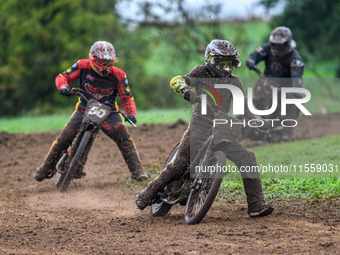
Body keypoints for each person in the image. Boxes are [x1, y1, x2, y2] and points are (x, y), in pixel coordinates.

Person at [136, 39, 274, 218]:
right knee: (180, 163)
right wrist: (185, 89)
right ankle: (146, 194)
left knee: (247, 158)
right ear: (210, 60)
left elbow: (245, 109)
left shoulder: (235, 82)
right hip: (200, 122)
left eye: (229, 62)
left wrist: (259, 122)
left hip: (222, 125)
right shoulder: (200, 71)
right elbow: (176, 80)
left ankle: (256, 205)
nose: (225, 67)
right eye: (221, 62)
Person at [33, 41, 148, 182]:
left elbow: (127, 96)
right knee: (65, 137)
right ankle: (46, 168)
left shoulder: (119, 75)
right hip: (84, 108)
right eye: (101, 61)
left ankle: (137, 171)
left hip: (109, 112)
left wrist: (131, 114)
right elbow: (62, 76)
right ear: (93, 58)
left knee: (124, 137)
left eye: (108, 62)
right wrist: (63, 87)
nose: (105, 66)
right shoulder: (82, 65)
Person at [245, 26, 304, 142]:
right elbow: (252, 57)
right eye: (274, 44)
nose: (276, 48)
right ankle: (250, 122)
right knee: (255, 96)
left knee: (294, 97)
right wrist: (251, 62)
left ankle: (286, 132)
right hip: (267, 85)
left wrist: (295, 91)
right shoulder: (266, 48)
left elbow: (297, 82)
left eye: (279, 45)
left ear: (287, 44)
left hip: (285, 90)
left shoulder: (295, 59)